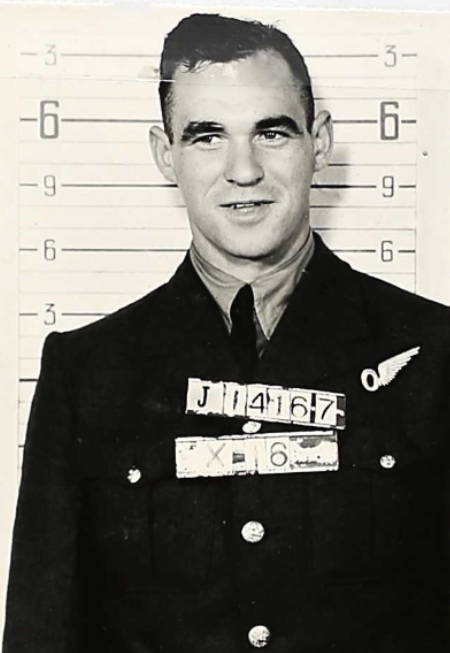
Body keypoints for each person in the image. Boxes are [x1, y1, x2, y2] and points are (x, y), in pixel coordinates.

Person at [3, 12, 450, 653]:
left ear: (320, 141)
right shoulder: (88, 373)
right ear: (165, 154)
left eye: (272, 132)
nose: (244, 171)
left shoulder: (435, 354)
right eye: (207, 136)